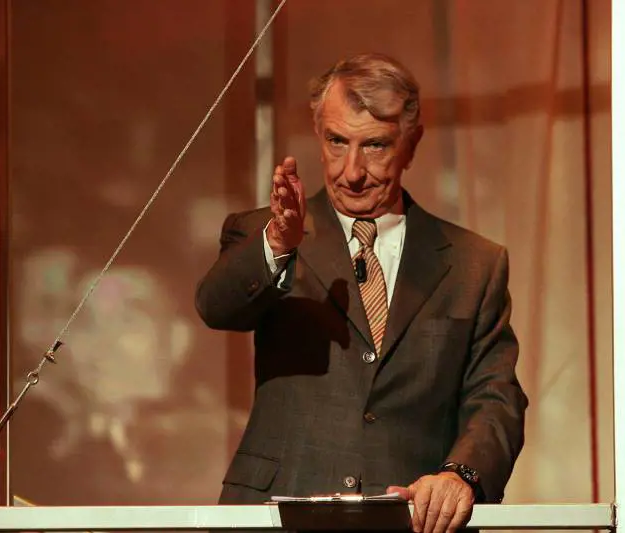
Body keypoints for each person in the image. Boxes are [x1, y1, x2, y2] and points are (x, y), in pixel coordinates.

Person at [195, 53, 528, 533]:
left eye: (374, 145)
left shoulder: (474, 264)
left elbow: (495, 396)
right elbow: (215, 306)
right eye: (336, 141)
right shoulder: (265, 232)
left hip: (412, 520)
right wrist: (277, 245)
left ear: (411, 145)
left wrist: (461, 476)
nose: (351, 171)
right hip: (280, 513)